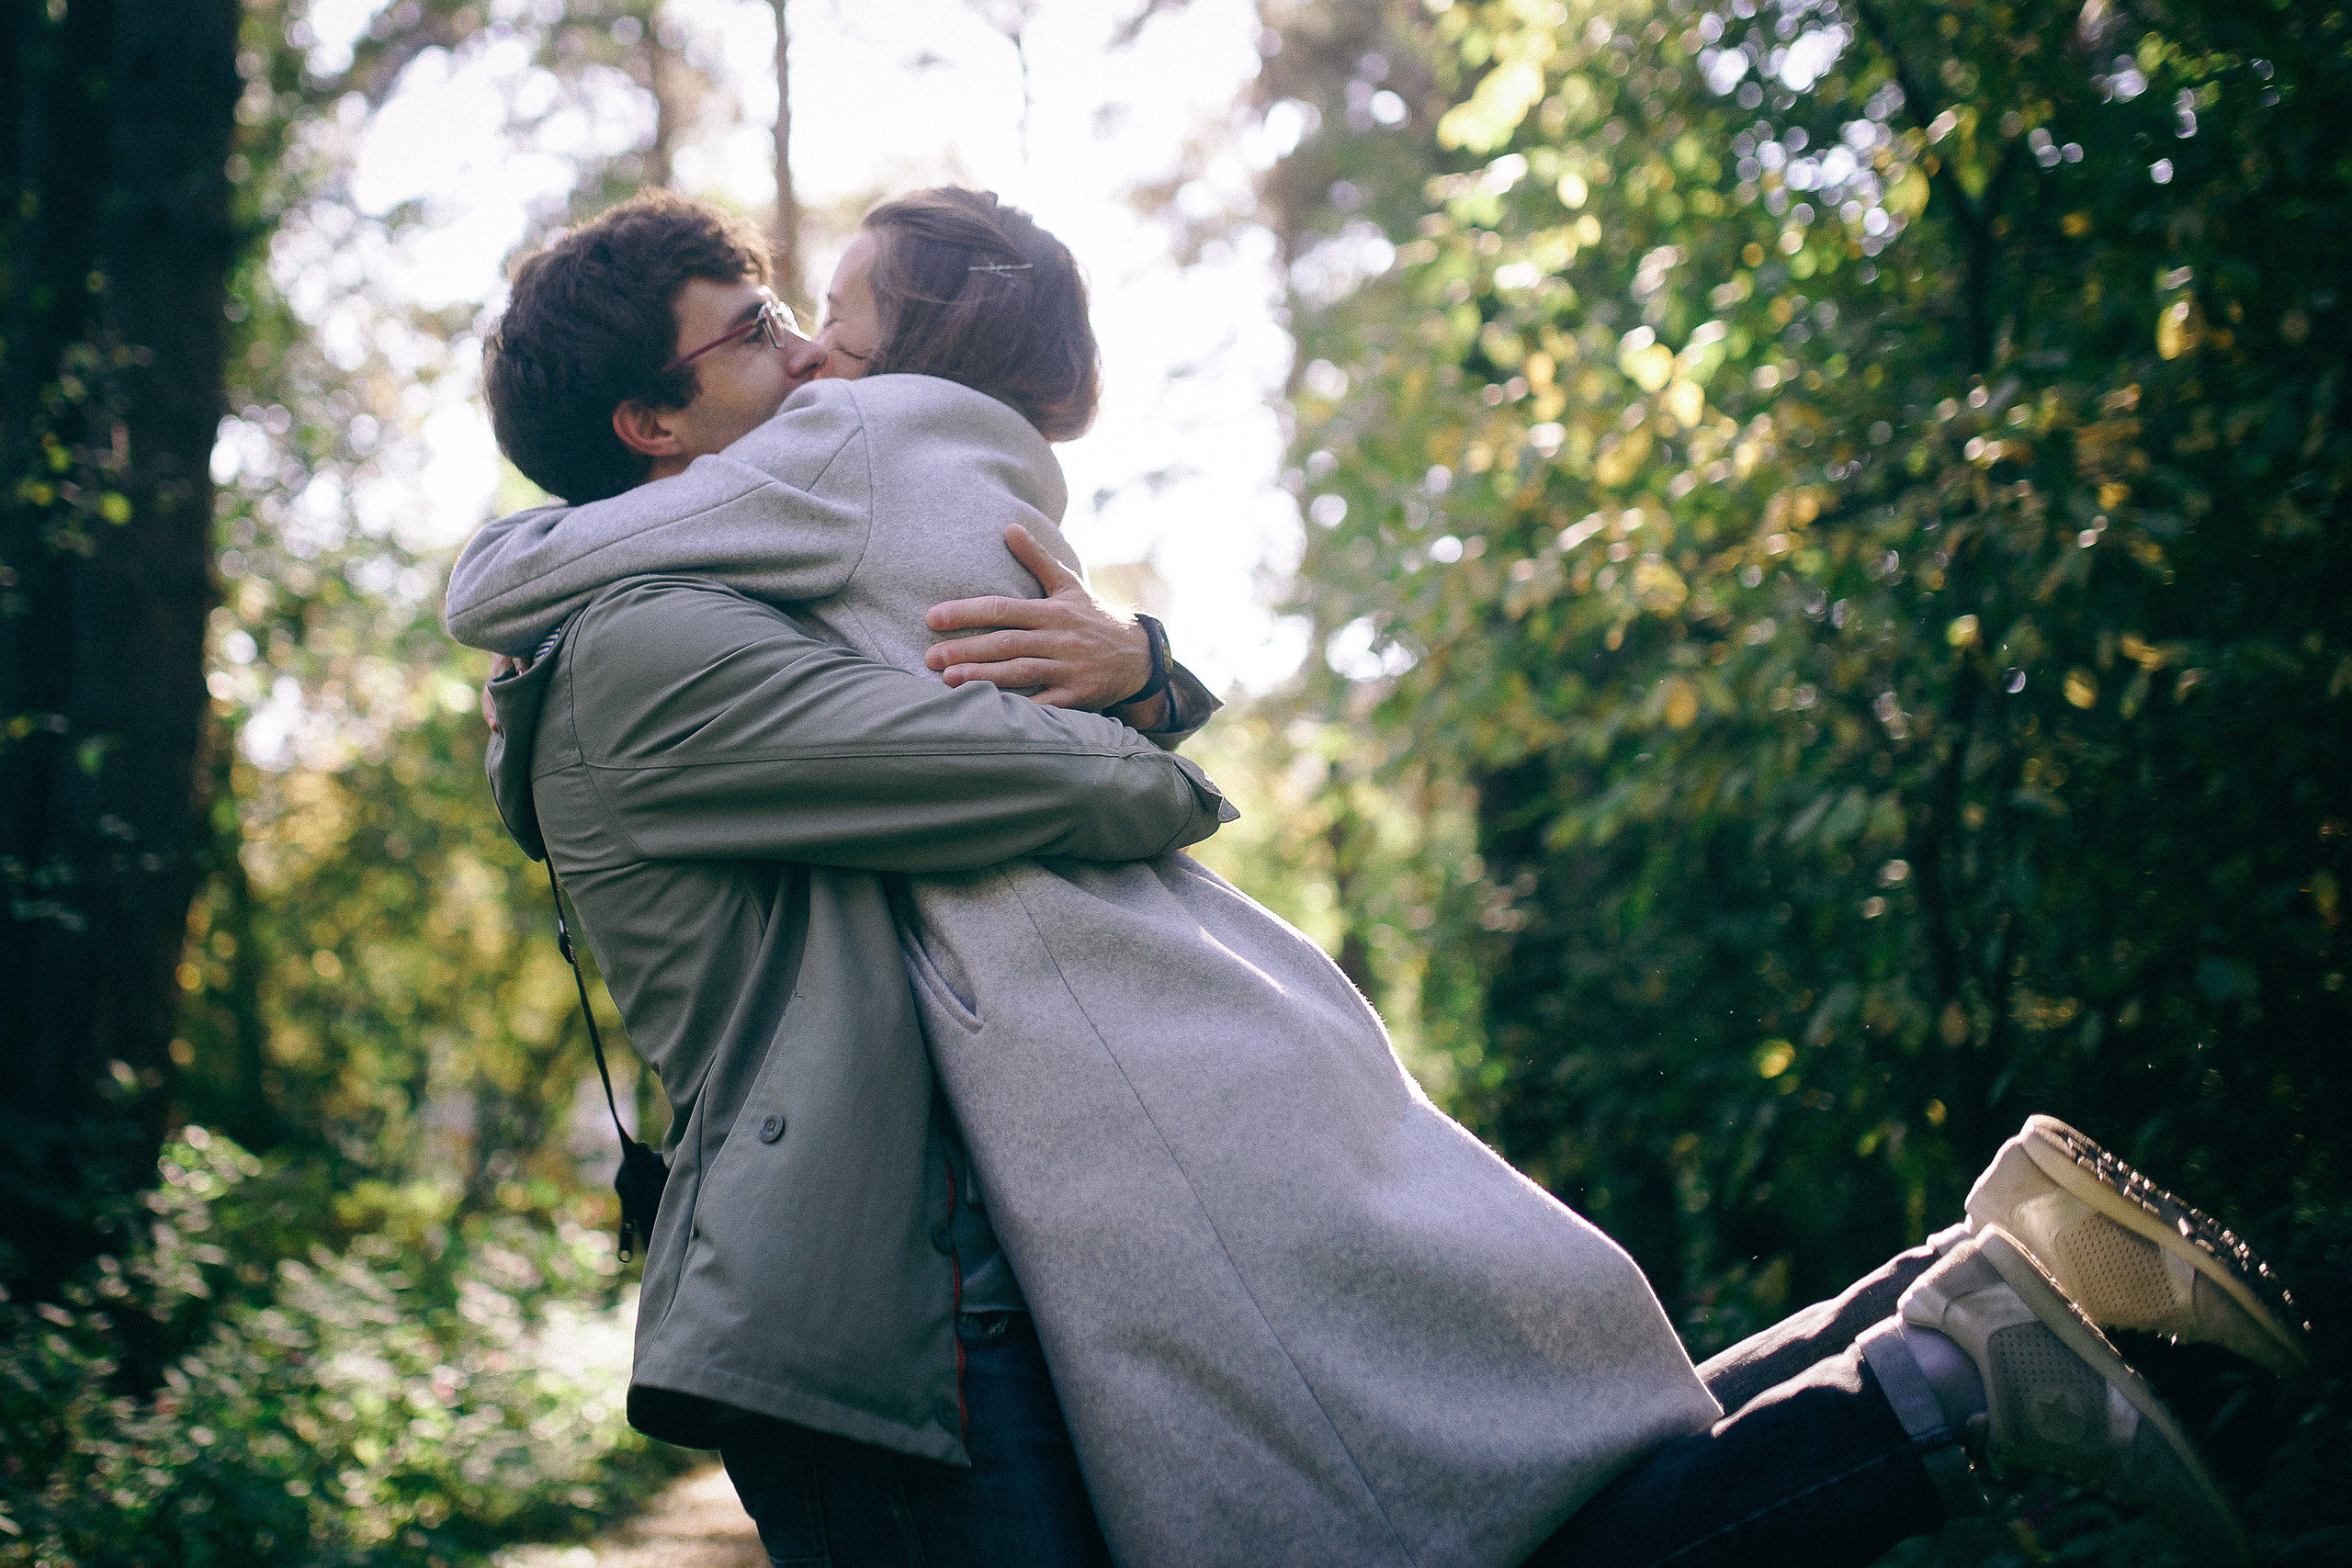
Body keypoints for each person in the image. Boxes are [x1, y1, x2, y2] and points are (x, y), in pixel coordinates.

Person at [452, 189, 2307, 1568]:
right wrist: (1146, 721)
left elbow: (972, 661)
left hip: (1005, 1249)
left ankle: (1958, 1325)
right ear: (653, 429)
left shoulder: (765, 562)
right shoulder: (642, 650)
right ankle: (1945, 1361)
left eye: (801, 314)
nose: (813, 357)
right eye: (757, 331)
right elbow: (1008, 770)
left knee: (1510, 1484)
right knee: (1472, 1500)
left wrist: (1139, 660)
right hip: (889, 1300)